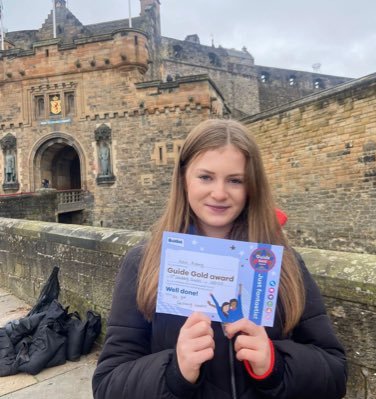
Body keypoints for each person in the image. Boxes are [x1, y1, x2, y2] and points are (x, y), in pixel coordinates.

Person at [92, 119, 347, 399]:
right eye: (206, 177)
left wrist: (273, 364)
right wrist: (175, 372)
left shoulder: (283, 263)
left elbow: (334, 374)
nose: (219, 193)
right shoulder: (144, 262)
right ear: (183, 179)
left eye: (235, 180)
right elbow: (108, 385)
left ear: (251, 187)